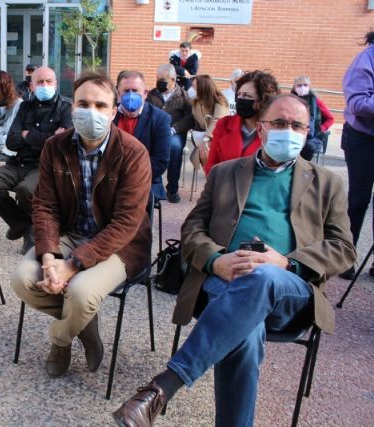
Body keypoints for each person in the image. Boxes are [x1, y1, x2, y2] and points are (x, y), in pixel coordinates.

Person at [113, 94, 356, 427]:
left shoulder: (327, 182)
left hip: (291, 289)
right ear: (261, 128)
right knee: (246, 331)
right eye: (280, 123)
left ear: (308, 130)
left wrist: (286, 263)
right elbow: (192, 229)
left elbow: (343, 247)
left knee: (263, 278)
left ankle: (163, 387)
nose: (289, 131)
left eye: (297, 125)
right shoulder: (225, 173)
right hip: (224, 280)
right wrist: (215, 261)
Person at [10, 72, 152, 379]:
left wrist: (72, 265)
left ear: (114, 111)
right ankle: (85, 325)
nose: (92, 112)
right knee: (23, 279)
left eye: (101, 105)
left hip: (121, 245)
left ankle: (60, 339)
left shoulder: (133, 153)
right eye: (84, 103)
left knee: (82, 294)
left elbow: (127, 222)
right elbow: (45, 205)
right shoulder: (55, 146)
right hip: (71, 234)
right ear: (72, 107)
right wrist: (49, 259)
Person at [0, 66, 73, 255]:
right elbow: (12, 141)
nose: (44, 85)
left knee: (25, 190)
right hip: (18, 163)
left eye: (48, 81)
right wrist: (48, 137)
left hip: (45, 166)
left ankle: (34, 232)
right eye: (39, 82)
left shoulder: (66, 108)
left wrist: (28, 136)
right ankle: (21, 224)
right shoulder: (24, 106)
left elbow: (62, 144)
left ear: (56, 83)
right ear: (31, 86)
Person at [340, 31, 374, 280]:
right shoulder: (366, 60)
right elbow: (358, 104)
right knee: (359, 200)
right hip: (363, 139)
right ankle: (345, 258)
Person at [204, 70, 280, 175]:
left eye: (247, 96)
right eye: (239, 94)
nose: (240, 99)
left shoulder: (274, 130)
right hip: (224, 186)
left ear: (263, 100)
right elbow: (211, 165)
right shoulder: (224, 124)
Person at [114, 70, 171, 202]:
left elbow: (160, 161)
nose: (130, 95)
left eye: (135, 90)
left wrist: (128, 178)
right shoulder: (108, 116)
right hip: (110, 178)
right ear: (118, 94)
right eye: (126, 91)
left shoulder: (160, 119)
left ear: (145, 93)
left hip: (145, 181)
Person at [147, 64, 194, 203]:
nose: (159, 82)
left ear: (173, 79)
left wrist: (174, 129)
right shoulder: (152, 94)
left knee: (174, 148)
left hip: (175, 133)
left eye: (163, 79)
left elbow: (190, 118)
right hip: (154, 133)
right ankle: (154, 186)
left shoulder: (184, 96)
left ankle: (172, 189)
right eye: (157, 78)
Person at [290, 76, 335, 161]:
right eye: (299, 86)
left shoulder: (317, 101)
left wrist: (321, 129)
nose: (302, 87)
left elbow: (330, 118)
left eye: (305, 85)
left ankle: (302, 167)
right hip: (293, 133)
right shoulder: (289, 100)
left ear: (309, 86)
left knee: (308, 147)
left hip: (312, 136)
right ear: (294, 87)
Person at [190, 75, 230, 168]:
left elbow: (218, 120)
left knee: (208, 151)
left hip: (218, 137)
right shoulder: (196, 102)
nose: (193, 89)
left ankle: (212, 174)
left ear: (203, 88)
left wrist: (206, 138)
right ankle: (209, 173)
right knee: (204, 152)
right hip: (202, 137)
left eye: (195, 86)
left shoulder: (220, 100)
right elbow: (193, 118)